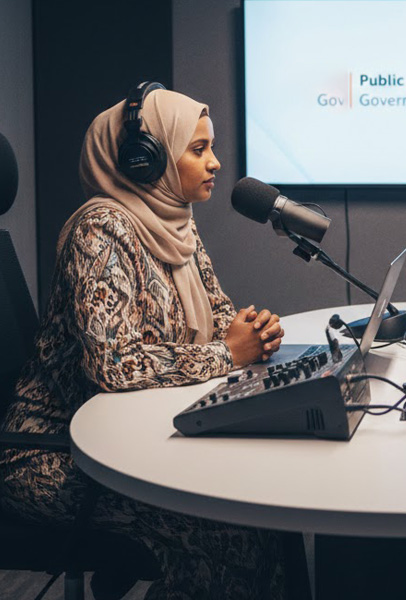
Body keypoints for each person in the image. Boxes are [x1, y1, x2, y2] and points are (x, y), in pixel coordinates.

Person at [0, 85, 287, 599]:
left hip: (131, 437)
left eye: (212, 147)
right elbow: (114, 365)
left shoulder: (176, 223)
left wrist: (252, 330)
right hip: (55, 456)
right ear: (145, 159)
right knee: (230, 531)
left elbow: (219, 314)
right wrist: (227, 353)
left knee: (262, 506)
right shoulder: (100, 230)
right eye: (198, 149)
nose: (216, 162)